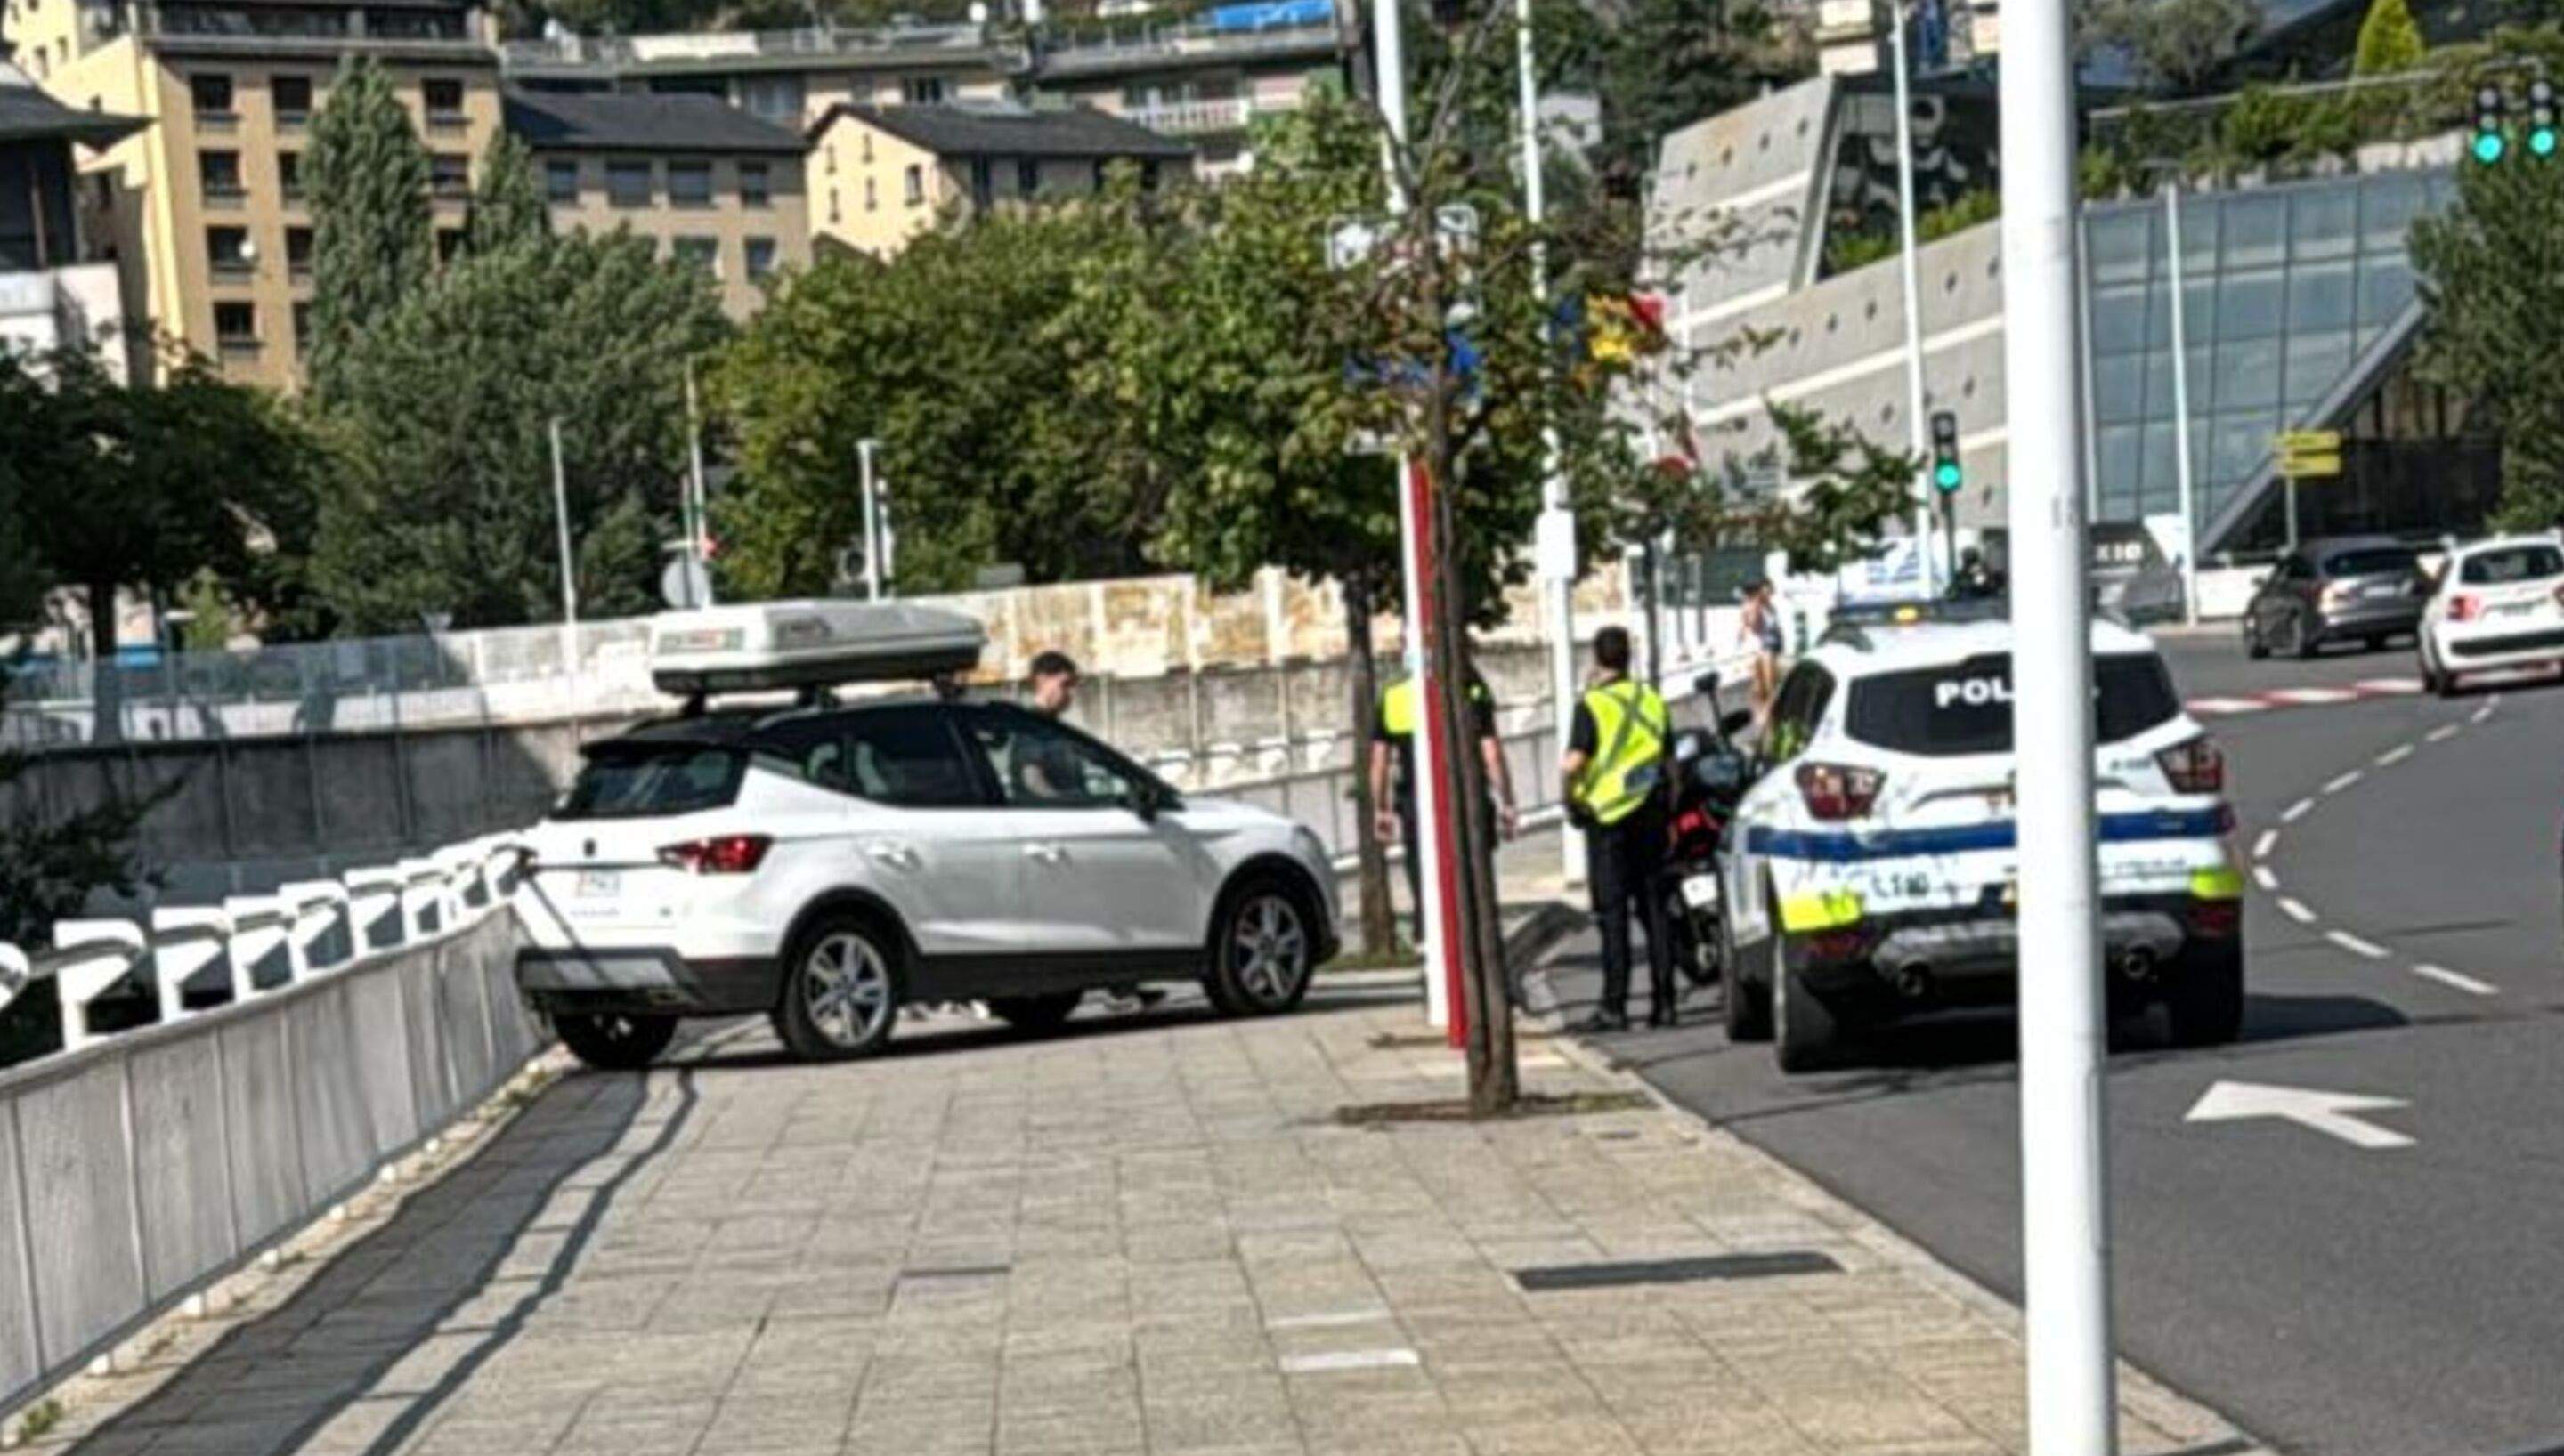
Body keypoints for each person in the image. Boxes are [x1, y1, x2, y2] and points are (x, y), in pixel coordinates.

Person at [1023, 651, 1164, 1014]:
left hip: (1075, 826)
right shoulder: (1031, 729)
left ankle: (1124, 984)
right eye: (1064, 685)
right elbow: (1030, 778)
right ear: (1042, 680)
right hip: (1057, 833)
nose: (1069, 695)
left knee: (1107, 907)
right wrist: (1060, 804)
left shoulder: (1054, 729)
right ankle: (1117, 987)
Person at [1561, 626, 1676, 1031]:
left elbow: (1574, 763)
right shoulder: (1652, 700)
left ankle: (1615, 1004)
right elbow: (1669, 762)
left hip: (1607, 821)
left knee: (1613, 915)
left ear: (1597, 658)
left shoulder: (1591, 705)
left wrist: (1569, 797)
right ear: (1629, 657)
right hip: (1651, 816)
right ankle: (1665, 1002)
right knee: (1654, 909)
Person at [1368, 664, 1519, 946]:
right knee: (1474, 883)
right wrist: (1508, 801)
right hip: (1468, 802)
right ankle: (1476, 942)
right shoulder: (1472, 691)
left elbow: (1379, 762)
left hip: (1416, 804)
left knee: (1424, 879)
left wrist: (1381, 809)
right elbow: (1492, 754)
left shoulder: (1394, 696)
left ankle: (1428, 941)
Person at [1738, 580, 1784, 727]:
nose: (1769, 594)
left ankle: (1768, 716)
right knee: (1760, 686)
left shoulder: (1771, 608)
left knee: (1770, 685)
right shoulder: (1753, 606)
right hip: (1760, 649)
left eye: (1771, 591)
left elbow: (1775, 628)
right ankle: (1762, 717)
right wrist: (1755, 607)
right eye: (1766, 591)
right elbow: (1752, 626)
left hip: (1770, 647)